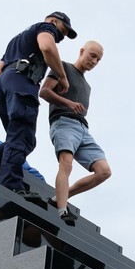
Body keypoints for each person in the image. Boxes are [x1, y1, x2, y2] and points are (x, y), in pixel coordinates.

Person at [0, 11, 74, 199]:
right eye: (64, 30)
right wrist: (62, 76)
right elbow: (47, 47)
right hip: (22, 81)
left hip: (4, 83)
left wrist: (8, 87)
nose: (62, 36)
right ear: (54, 21)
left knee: (25, 139)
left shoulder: (16, 40)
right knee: (21, 136)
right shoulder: (46, 28)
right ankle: (11, 185)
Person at [38, 40, 110, 224]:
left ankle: (60, 197)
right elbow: (44, 91)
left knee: (104, 171)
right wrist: (68, 103)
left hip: (83, 128)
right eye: (92, 56)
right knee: (66, 163)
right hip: (63, 122)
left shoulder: (88, 86)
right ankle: (62, 210)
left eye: (98, 60)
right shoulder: (63, 68)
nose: (94, 61)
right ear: (82, 51)